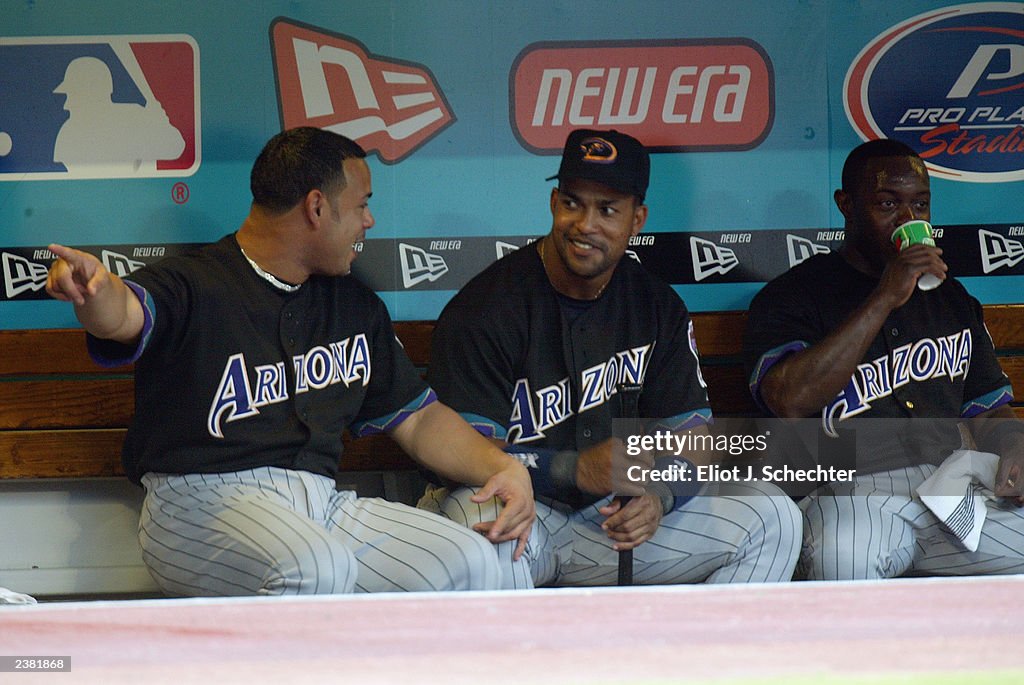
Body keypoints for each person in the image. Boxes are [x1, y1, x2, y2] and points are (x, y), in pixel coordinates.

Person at [46, 127, 534, 597]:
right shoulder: (195, 284)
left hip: (319, 505)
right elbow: (123, 314)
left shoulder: (353, 306)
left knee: (472, 561)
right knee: (317, 566)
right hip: (196, 505)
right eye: (362, 205)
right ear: (317, 207)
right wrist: (94, 290)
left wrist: (503, 467)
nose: (370, 221)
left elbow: (420, 418)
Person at [420, 128, 801, 588]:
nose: (585, 224)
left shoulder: (656, 307)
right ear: (553, 203)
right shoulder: (486, 307)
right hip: (524, 511)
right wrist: (572, 469)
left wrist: (661, 495)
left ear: (636, 220)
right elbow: (458, 456)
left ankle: (693, 660)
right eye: (573, 203)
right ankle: (524, 661)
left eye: (607, 210)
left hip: (613, 526)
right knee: (479, 525)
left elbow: (694, 442)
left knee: (772, 516)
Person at [744, 138, 1024, 580]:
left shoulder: (950, 298)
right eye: (888, 203)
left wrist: (1014, 447)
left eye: (920, 205)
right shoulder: (794, 295)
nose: (908, 220)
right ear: (847, 205)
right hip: (849, 491)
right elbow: (789, 399)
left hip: (949, 488)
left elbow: (989, 408)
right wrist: (885, 296)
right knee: (845, 561)